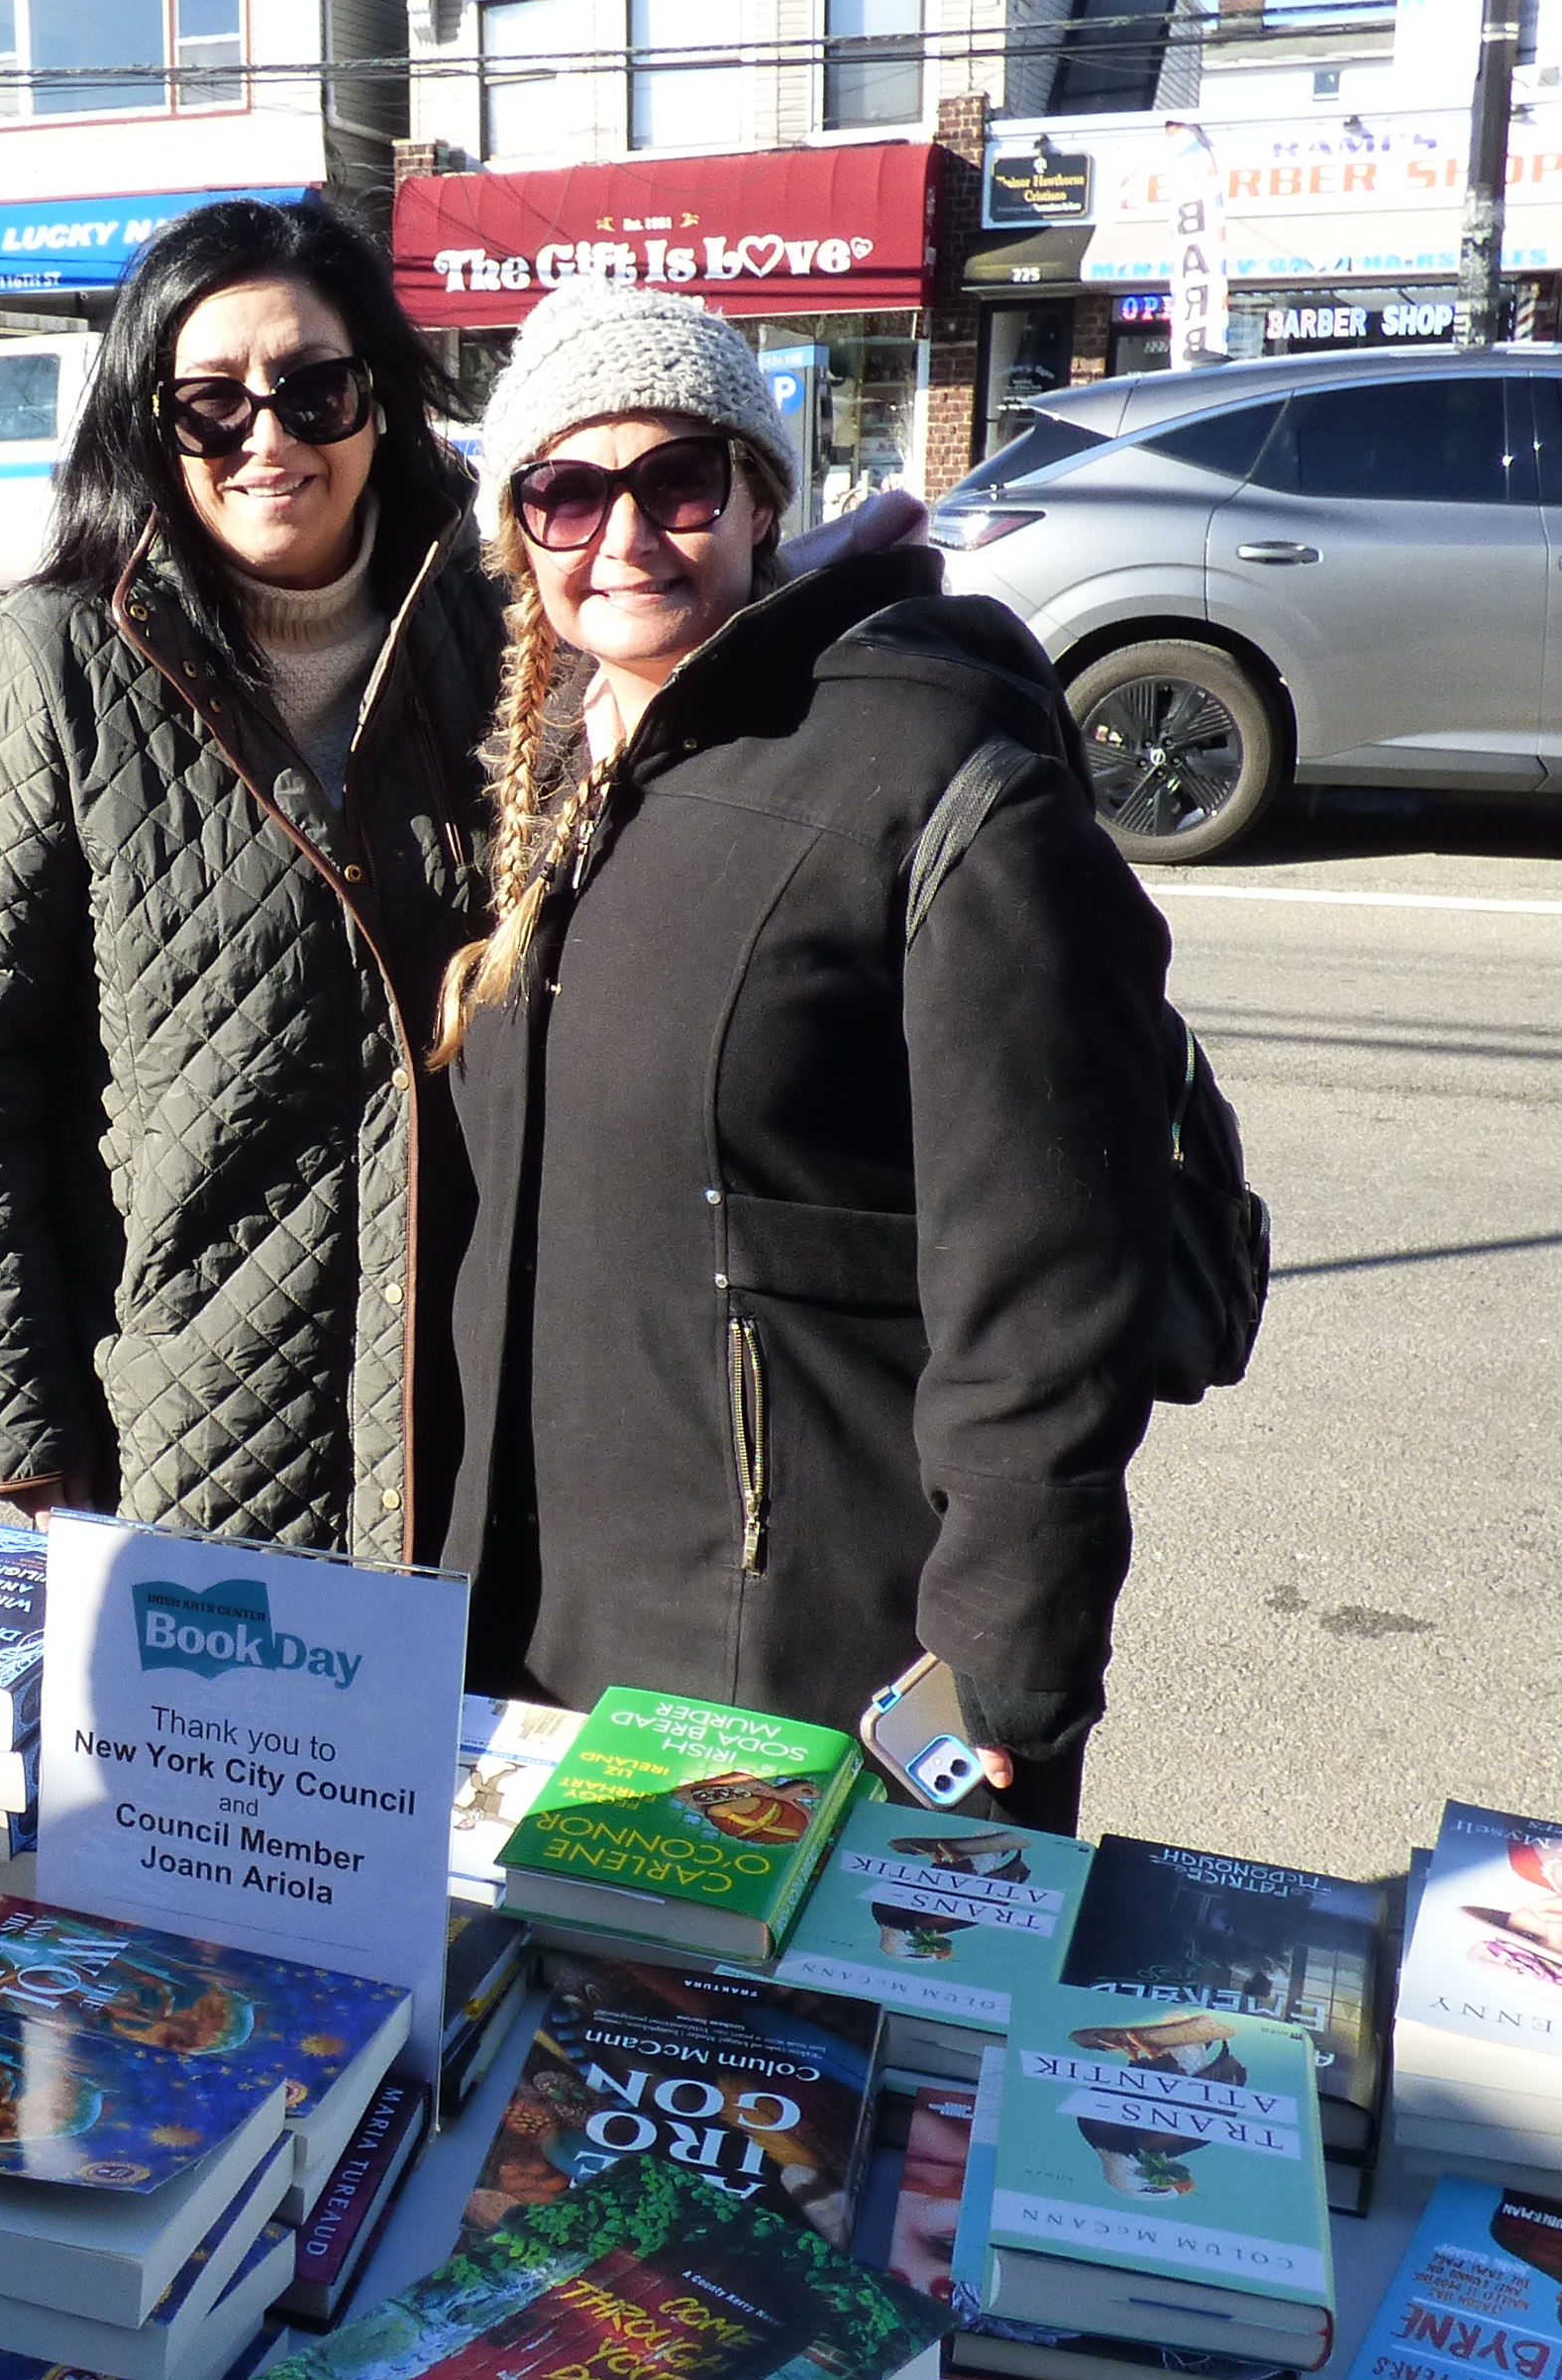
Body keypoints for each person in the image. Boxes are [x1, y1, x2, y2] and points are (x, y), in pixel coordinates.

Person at [433, 283, 1184, 1821]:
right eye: (568, 492)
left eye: (679, 480)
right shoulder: (567, 763)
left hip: (810, 1664)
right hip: (556, 1617)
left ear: (764, 495)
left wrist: (1001, 1669)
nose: (625, 537)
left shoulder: (925, 768)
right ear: (518, 529)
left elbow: (1053, 1279)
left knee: (794, 2056)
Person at [0, 198, 499, 1559]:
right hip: (183, 1426)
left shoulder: (496, 631)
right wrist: (15, 1436)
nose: (270, 438)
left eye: (314, 389)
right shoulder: (53, 662)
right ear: (146, 426)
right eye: (211, 404)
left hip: (477, 1406)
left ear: (380, 403)